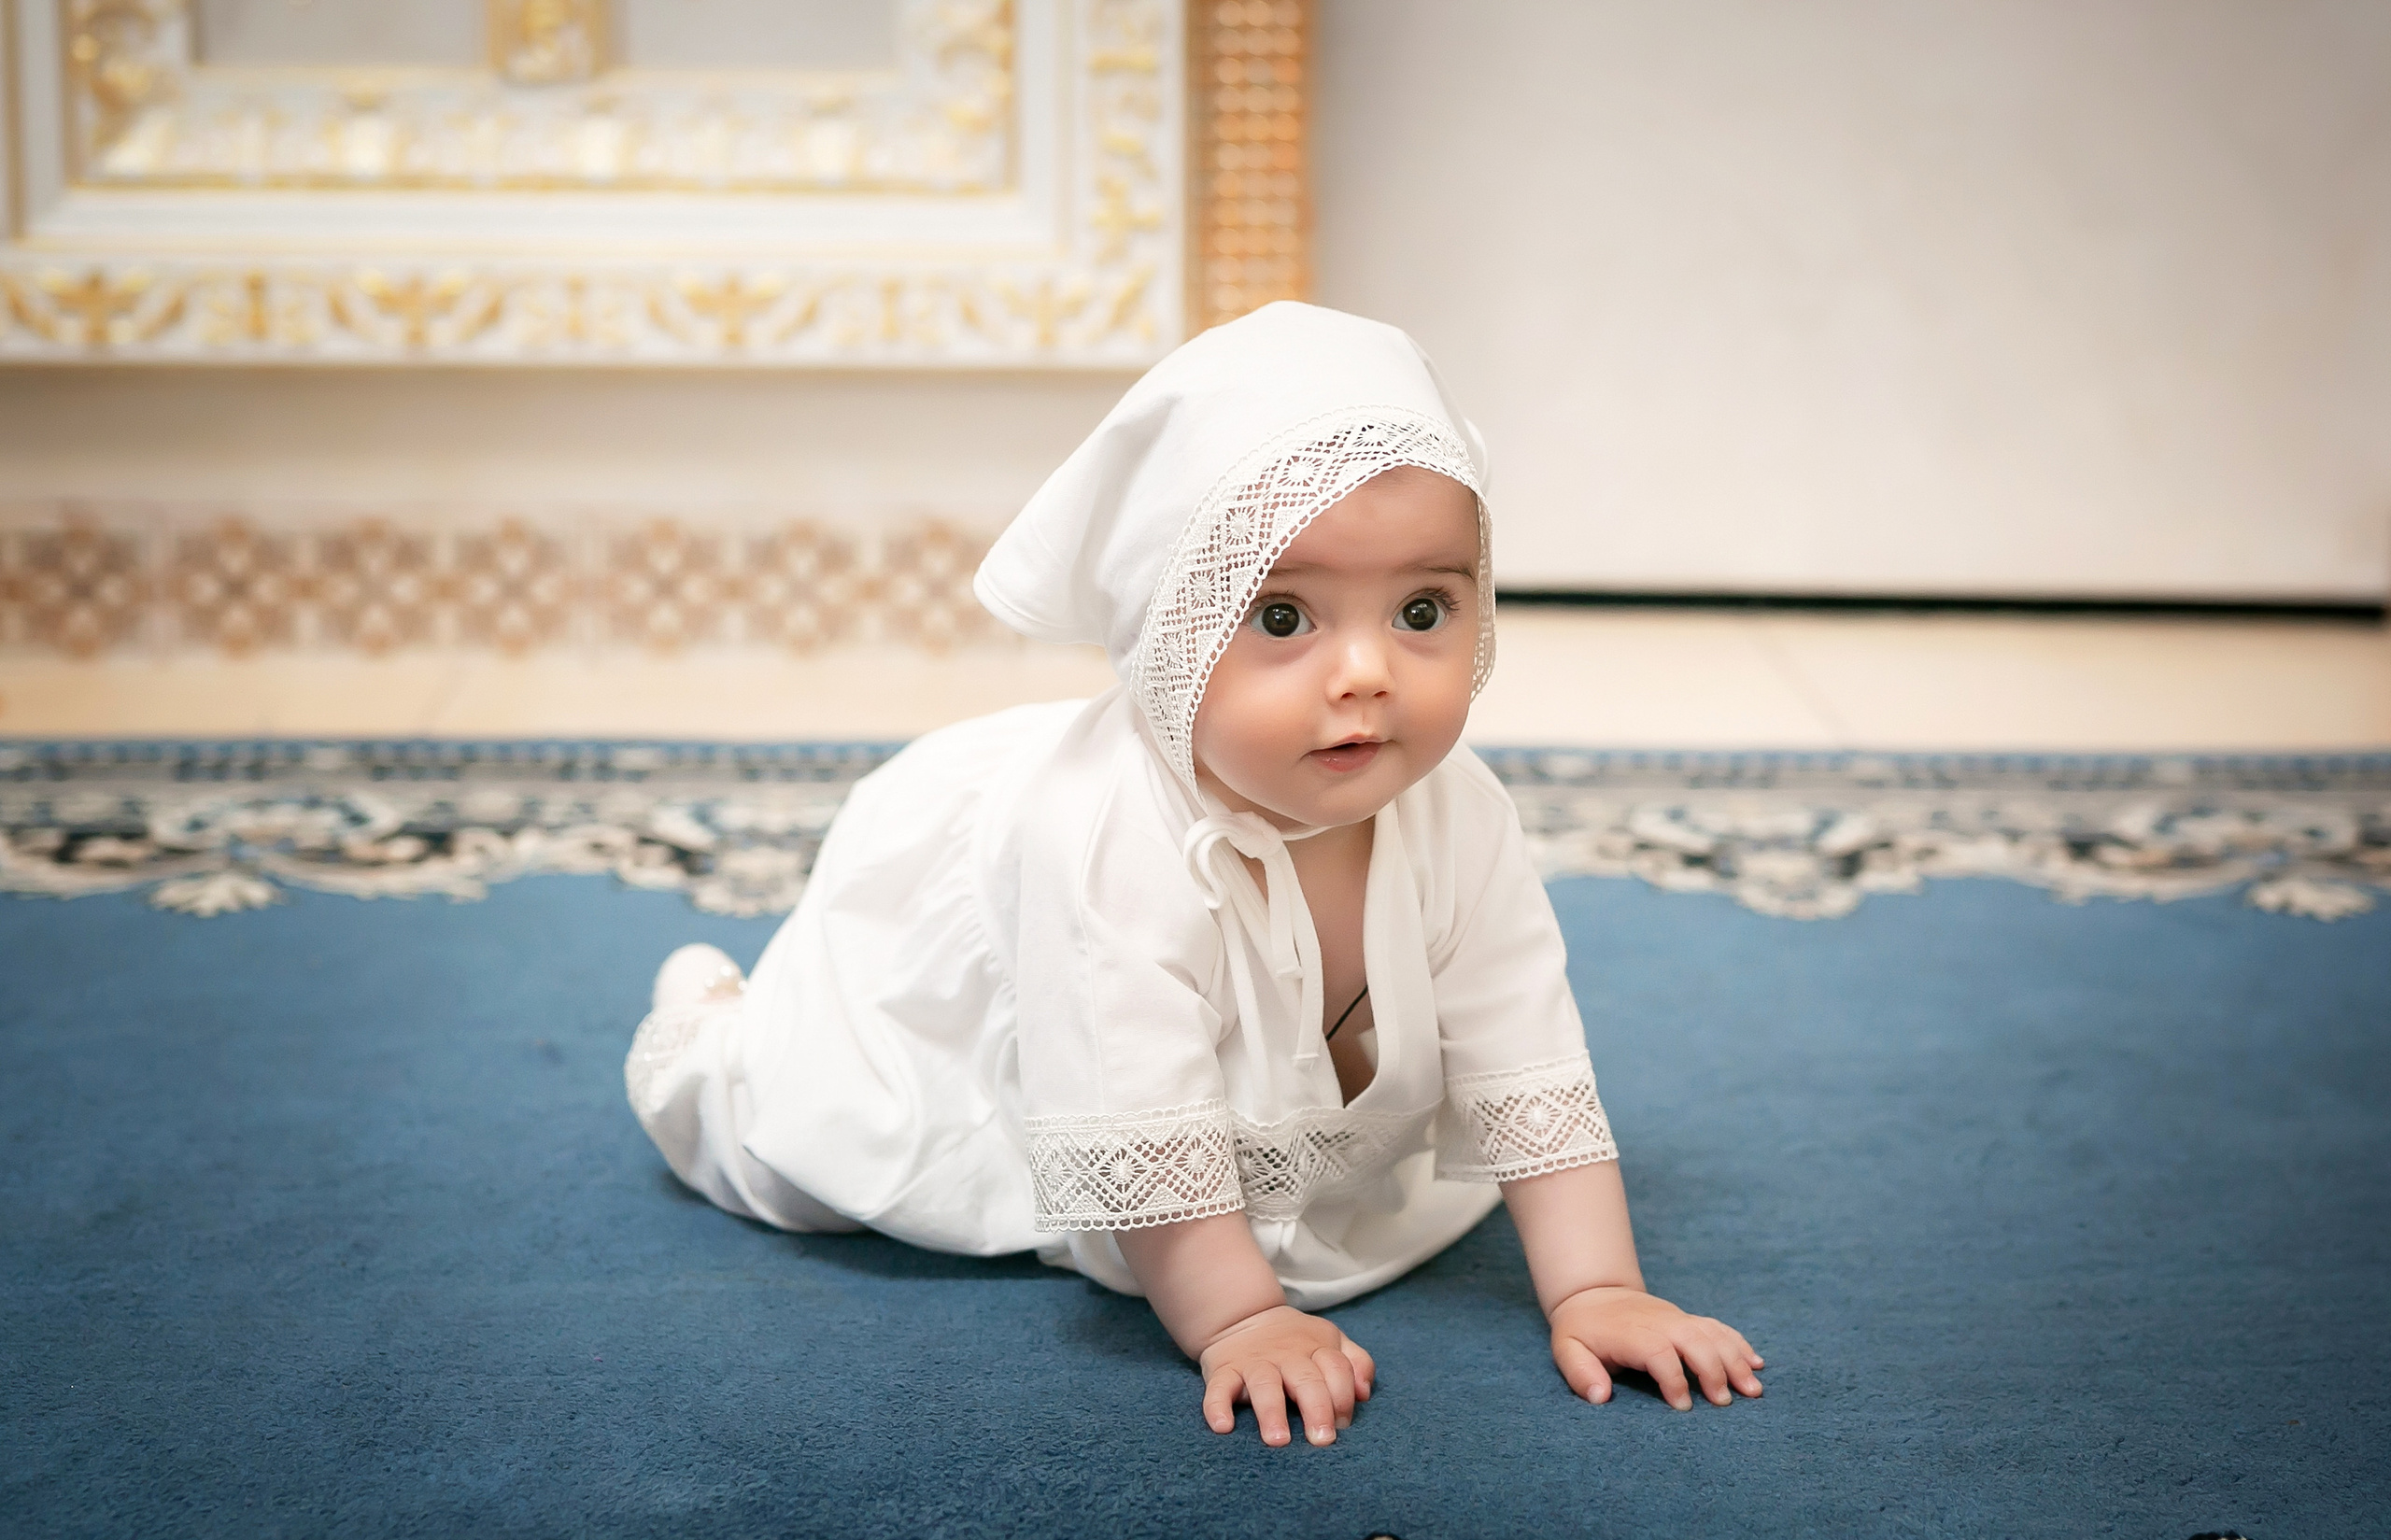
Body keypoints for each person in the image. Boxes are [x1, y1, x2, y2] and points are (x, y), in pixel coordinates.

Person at [625, 302, 1763, 1448]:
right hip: (967, 997)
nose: (1367, 671)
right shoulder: (1103, 837)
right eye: (1283, 616)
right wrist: (1238, 1316)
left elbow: (1521, 1037)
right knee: (805, 1144)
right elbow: (1129, 1086)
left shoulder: (1456, 805)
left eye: (1423, 610)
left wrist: (1596, 1286)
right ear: (1169, 627)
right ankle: (721, 1025)